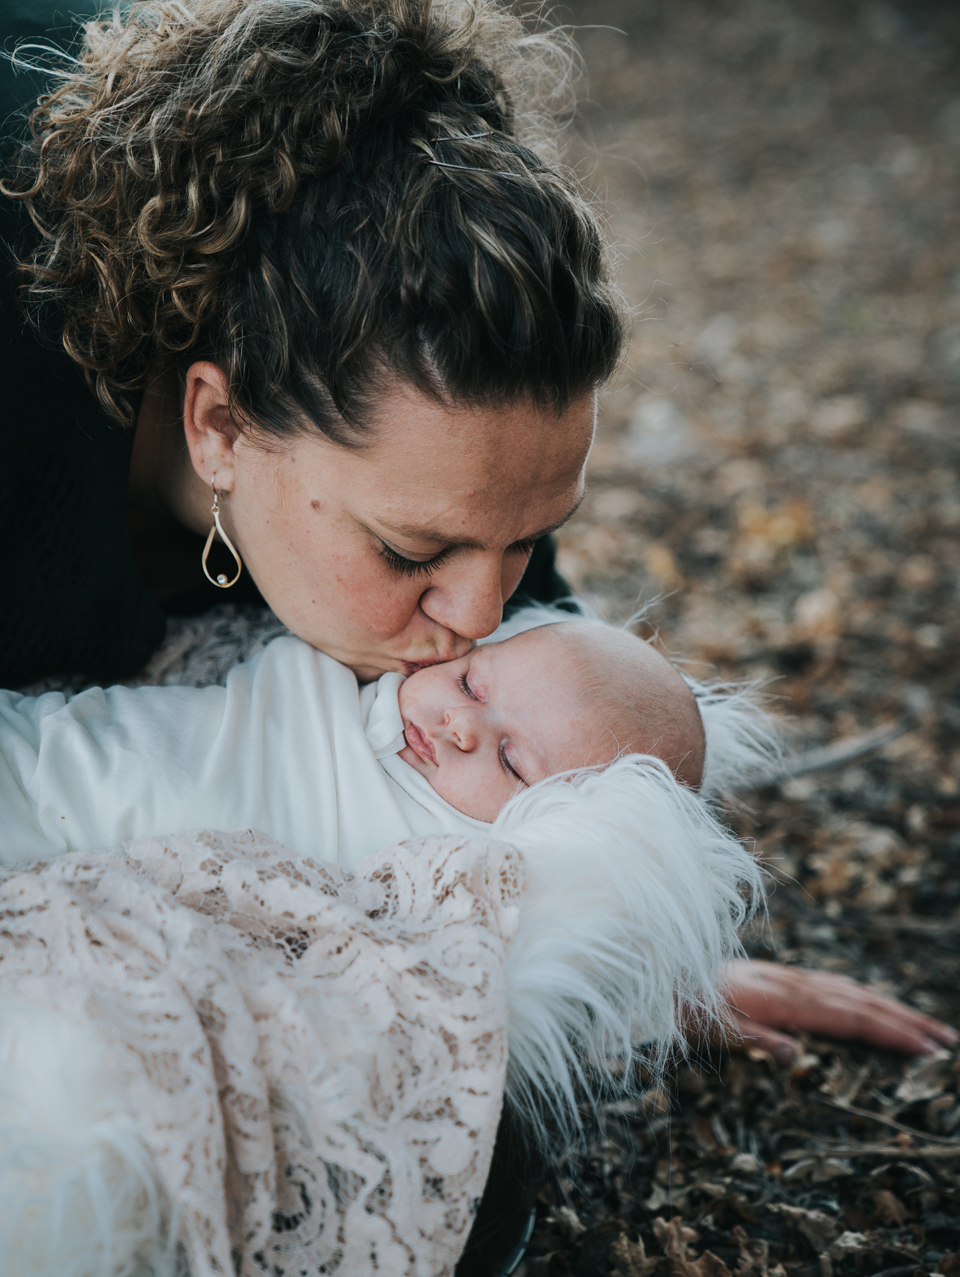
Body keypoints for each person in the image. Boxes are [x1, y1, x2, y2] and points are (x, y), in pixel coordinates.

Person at [0, 0, 949, 1105]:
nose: (481, 615)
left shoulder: (449, 471)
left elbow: (564, 731)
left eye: (529, 538)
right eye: (413, 549)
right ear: (217, 426)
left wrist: (592, 941)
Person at [0, 615, 707, 864]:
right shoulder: (356, 676)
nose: (459, 725)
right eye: (471, 683)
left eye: (511, 760)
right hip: (63, 757)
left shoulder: (460, 860)